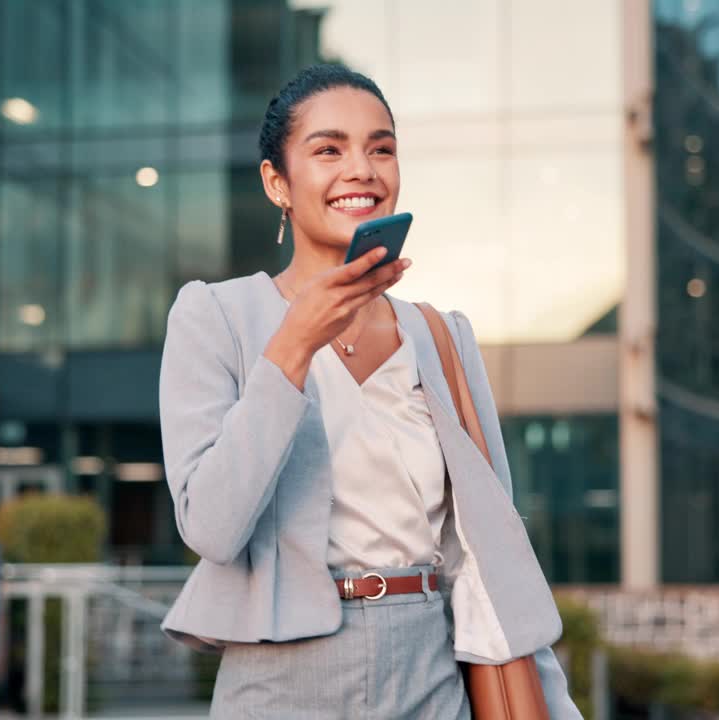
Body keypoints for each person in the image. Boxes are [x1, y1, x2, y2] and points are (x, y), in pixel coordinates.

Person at [159, 63, 582, 719]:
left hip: (428, 669)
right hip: (280, 678)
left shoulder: (442, 337)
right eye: (328, 149)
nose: (362, 169)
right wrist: (293, 346)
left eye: (380, 148)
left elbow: (491, 557)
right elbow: (211, 526)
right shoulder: (215, 317)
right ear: (278, 182)